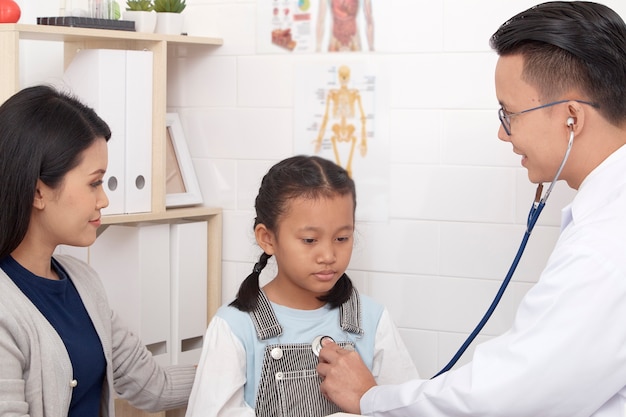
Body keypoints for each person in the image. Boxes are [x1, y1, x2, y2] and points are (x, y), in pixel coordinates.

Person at [316, 2, 626, 416]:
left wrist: (370, 400)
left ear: (572, 118)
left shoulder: (603, 246)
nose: (502, 132)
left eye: (510, 113)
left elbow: (512, 395)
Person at [0, 85, 196, 417]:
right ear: (37, 192)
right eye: (94, 183)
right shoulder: (6, 310)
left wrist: (248, 361)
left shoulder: (82, 282)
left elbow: (154, 385)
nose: (103, 200)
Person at [185, 155, 417, 417]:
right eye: (309, 240)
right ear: (267, 238)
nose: (328, 255)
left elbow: (406, 409)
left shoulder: (372, 321)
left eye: (342, 237)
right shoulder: (235, 327)